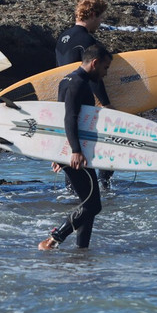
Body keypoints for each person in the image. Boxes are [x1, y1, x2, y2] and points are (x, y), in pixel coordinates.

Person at [38, 43, 114, 251]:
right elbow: (69, 118)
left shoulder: (69, 79)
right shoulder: (78, 83)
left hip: (71, 148)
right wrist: (75, 151)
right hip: (75, 151)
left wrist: (59, 151)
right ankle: (53, 240)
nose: (106, 73)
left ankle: (82, 250)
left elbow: (59, 117)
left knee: (88, 203)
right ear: (95, 63)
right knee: (93, 205)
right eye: (105, 67)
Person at [56, 0, 114, 188]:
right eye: (100, 17)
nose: (100, 22)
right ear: (93, 14)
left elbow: (58, 71)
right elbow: (93, 73)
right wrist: (106, 103)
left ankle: (71, 191)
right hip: (82, 93)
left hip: (65, 90)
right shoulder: (87, 39)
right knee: (102, 141)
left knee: (72, 141)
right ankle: (104, 186)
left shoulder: (62, 38)